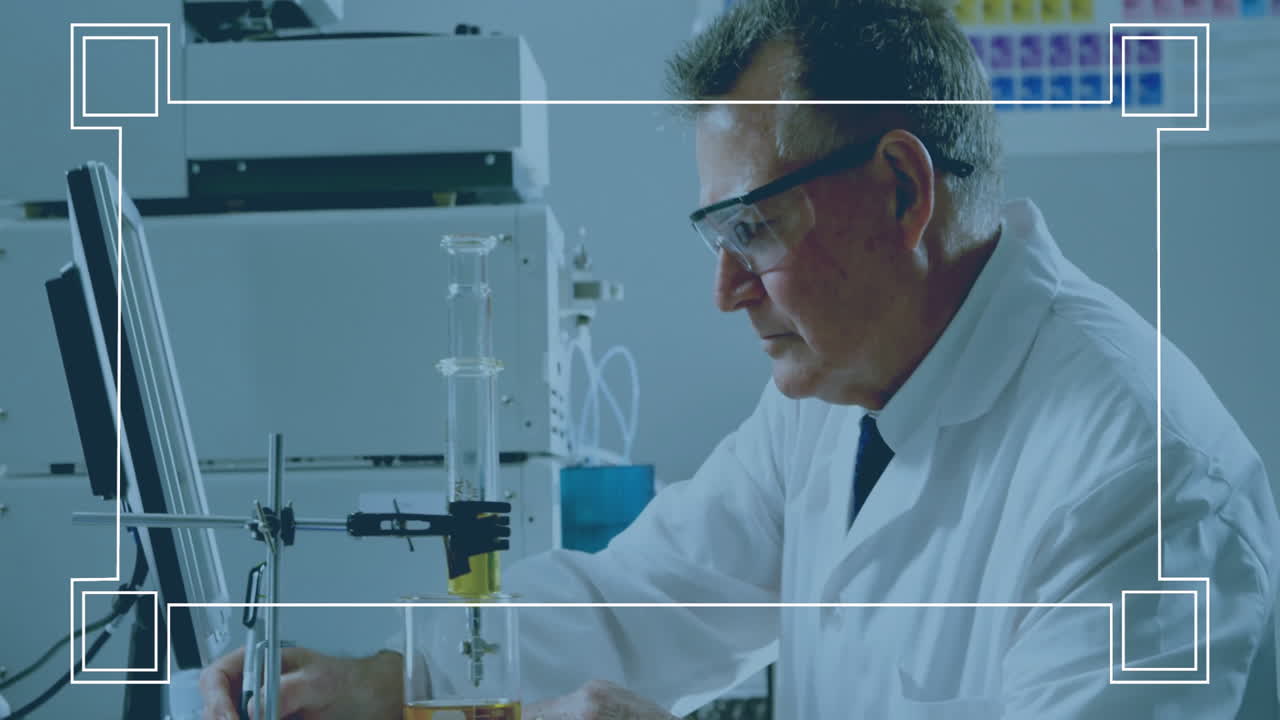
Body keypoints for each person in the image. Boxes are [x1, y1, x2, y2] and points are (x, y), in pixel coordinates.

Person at [202, 0, 1280, 717]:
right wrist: (392, 682)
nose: (723, 291)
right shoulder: (839, 392)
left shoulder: (1137, 479)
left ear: (901, 192)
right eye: (715, 239)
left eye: (751, 233)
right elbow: (651, 595)